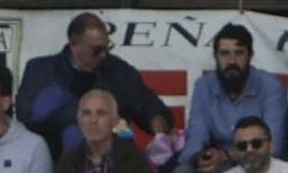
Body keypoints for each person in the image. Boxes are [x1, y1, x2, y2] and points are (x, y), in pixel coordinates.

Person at [173, 22, 288, 173]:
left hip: (257, 168)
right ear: (216, 57)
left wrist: (228, 157)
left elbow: (274, 146)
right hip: (218, 169)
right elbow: (196, 135)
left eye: (239, 53)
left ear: (250, 56)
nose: (232, 61)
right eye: (225, 54)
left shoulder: (270, 86)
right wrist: (201, 158)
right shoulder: (204, 86)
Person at [17, 12, 172, 154]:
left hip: (113, 156)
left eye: (107, 47)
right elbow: (27, 116)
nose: (104, 55)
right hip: (54, 156)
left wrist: (159, 131)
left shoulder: (119, 71)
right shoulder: (42, 70)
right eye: (97, 50)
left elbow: (147, 103)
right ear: (74, 45)